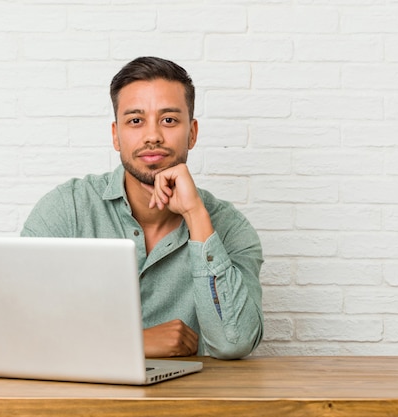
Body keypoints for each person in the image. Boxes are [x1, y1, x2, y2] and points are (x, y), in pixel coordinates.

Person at [21, 56, 263, 360]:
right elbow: (19, 327)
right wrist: (132, 343)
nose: (153, 136)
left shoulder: (230, 229)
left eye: (169, 120)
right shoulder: (66, 209)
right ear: (115, 135)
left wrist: (196, 216)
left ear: (192, 133)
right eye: (136, 120)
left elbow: (235, 342)